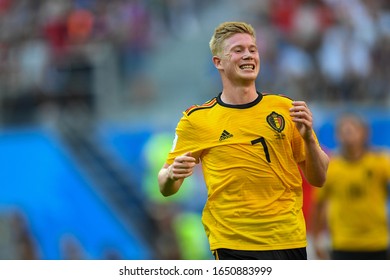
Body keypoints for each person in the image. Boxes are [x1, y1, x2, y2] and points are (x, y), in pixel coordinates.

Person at [157, 21, 329, 260]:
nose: (248, 55)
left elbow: (319, 178)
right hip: (233, 242)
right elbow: (165, 185)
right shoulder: (197, 120)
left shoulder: (285, 109)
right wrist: (173, 174)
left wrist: (309, 138)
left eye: (252, 49)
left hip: (287, 237)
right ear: (219, 62)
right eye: (238, 50)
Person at [311, 114, 390, 260]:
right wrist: (316, 240)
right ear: (337, 136)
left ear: (364, 133)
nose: (348, 131)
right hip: (343, 243)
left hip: (377, 242)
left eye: (353, 128)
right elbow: (318, 205)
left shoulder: (380, 163)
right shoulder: (331, 167)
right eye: (343, 130)